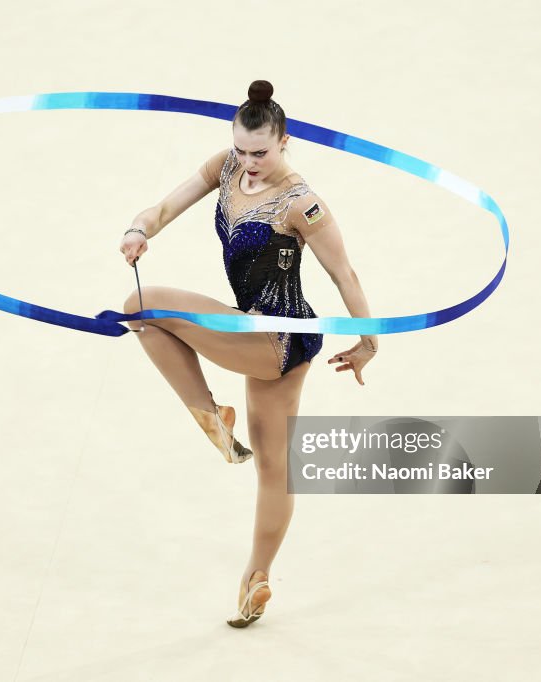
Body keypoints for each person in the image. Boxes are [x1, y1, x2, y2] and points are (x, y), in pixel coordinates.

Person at [118, 80, 378, 628]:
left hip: (276, 336)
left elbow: (343, 271)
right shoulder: (227, 168)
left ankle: (211, 415)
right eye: (241, 149)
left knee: (141, 305)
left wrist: (369, 340)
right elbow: (167, 204)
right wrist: (140, 228)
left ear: (284, 141)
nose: (249, 162)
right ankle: (255, 580)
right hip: (270, 338)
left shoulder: (302, 202)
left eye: (260, 151)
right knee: (274, 468)